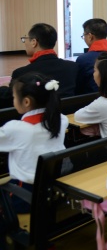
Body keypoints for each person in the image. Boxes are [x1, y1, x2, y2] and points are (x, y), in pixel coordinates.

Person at [0, 73, 68, 213]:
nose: (13, 101)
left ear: (26, 102)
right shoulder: (61, 120)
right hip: (50, 189)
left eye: (14, 97)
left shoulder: (15, 129)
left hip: (22, 195)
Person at [12, 23, 78, 98]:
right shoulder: (73, 67)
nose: (24, 42)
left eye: (25, 39)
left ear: (34, 42)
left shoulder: (20, 73)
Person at [75, 18, 107, 94]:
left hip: (91, 99)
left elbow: (78, 88)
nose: (84, 38)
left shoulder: (83, 59)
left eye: (84, 35)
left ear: (90, 36)